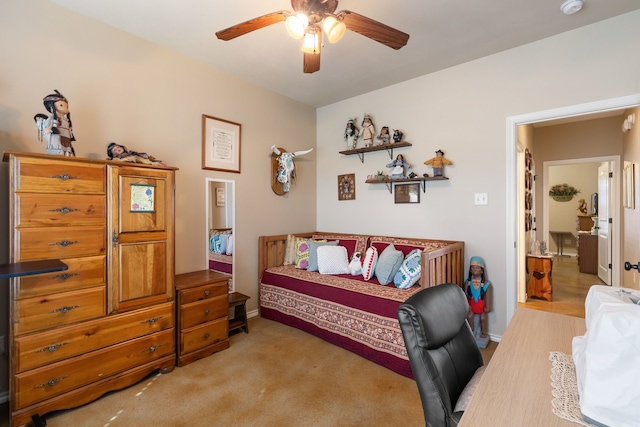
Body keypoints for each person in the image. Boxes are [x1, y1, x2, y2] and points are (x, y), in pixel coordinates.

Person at [37, 90, 76, 156]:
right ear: (52, 107)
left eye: (66, 106)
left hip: (66, 138)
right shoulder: (53, 118)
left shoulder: (66, 120)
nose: (65, 108)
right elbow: (47, 125)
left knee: (67, 150)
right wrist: (47, 129)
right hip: (56, 138)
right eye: (61, 105)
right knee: (58, 149)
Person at [464, 256, 492, 339]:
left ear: (482, 270)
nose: (475, 269)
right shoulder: (468, 282)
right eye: (472, 267)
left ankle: (484, 333)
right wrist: (466, 305)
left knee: (483, 319)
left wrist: (487, 306)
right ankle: (471, 331)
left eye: (477, 267)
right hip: (472, 304)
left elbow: (488, 296)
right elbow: (465, 294)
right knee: (469, 317)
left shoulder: (486, 283)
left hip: (481, 304)